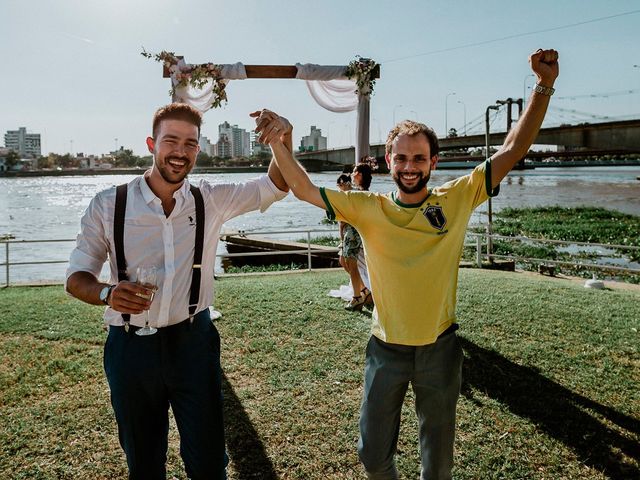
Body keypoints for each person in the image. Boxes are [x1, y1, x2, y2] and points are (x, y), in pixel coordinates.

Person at [255, 49, 559, 479]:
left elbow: (512, 148)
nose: (410, 167)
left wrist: (543, 87)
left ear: (433, 162)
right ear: (387, 162)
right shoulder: (367, 207)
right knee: (372, 454)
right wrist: (278, 142)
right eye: (401, 158)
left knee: (437, 464)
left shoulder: (457, 197)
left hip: (440, 348)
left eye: (419, 159)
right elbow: (303, 188)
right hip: (385, 348)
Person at [66, 104, 289, 479]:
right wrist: (106, 294)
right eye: (171, 140)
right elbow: (76, 277)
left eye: (190, 143)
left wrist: (282, 139)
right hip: (130, 347)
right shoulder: (109, 204)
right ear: (152, 144)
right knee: (144, 461)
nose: (180, 151)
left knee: (207, 462)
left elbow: (276, 185)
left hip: (194, 343)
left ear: (198, 150)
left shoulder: (211, 198)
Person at [335, 170, 372, 310]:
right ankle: (362, 291)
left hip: (352, 232)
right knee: (347, 262)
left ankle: (358, 297)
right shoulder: (354, 194)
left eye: (339, 186)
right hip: (351, 232)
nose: (339, 189)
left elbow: (345, 217)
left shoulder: (353, 195)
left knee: (351, 262)